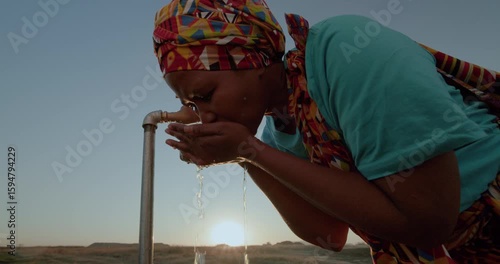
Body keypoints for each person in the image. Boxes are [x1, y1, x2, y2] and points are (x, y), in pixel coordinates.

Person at [153, 0, 500, 262]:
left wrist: (250, 150)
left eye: (206, 96)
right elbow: (330, 235)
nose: (204, 117)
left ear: (251, 59)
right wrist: (246, 157)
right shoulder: (278, 134)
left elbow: (428, 221)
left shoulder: (348, 52)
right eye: (193, 107)